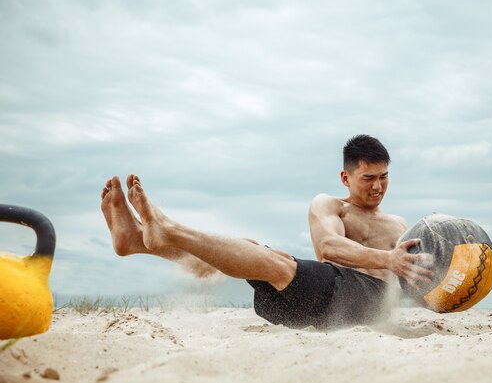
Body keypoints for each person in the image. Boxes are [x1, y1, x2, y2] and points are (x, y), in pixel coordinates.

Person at [100, 134, 434, 328]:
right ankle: (147, 239)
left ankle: (158, 235)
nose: (378, 186)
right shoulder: (331, 206)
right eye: (368, 178)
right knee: (253, 250)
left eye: (384, 176)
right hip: (318, 299)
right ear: (346, 178)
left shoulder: (400, 225)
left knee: (270, 261)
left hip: (362, 306)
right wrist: (388, 258)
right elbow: (330, 247)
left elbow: (418, 281)